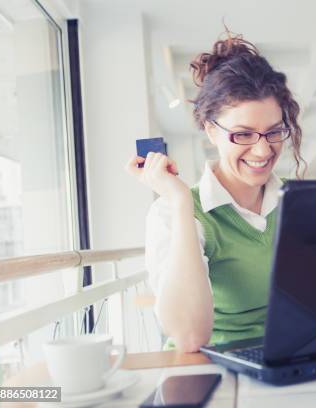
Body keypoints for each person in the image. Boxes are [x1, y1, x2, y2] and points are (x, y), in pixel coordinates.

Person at [125, 31, 305, 352]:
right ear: (211, 130)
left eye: (274, 132)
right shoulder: (174, 213)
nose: (263, 150)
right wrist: (180, 202)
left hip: (288, 361)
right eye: (243, 135)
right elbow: (189, 338)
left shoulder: (296, 204)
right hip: (208, 371)